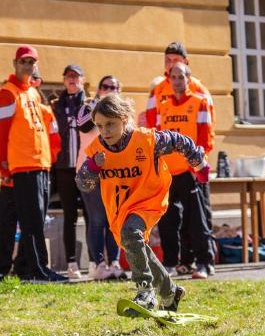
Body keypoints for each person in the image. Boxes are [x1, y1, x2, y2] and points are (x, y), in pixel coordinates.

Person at [76, 94, 209, 311]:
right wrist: (92, 167)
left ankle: (145, 292)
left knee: (131, 234)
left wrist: (199, 163)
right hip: (121, 208)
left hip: (150, 199)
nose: (105, 131)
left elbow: (180, 142)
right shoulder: (96, 151)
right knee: (136, 247)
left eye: (111, 124)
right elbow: (83, 184)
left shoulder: (147, 140)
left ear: (124, 119)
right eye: (100, 126)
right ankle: (170, 292)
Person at [0, 45, 67, 283]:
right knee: (31, 221)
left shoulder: (33, 94)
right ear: (15, 64)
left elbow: (48, 130)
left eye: (31, 62)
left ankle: (18, 267)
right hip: (22, 167)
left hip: (38, 165)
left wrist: (50, 158)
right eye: (23, 61)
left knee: (18, 218)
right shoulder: (8, 94)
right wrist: (3, 166)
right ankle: (37, 269)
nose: (27, 66)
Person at [152, 62, 215, 279]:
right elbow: (159, 138)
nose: (177, 80)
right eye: (174, 77)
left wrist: (195, 166)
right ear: (168, 80)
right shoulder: (163, 105)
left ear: (189, 78)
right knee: (168, 221)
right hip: (168, 172)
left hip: (190, 171)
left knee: (196, 221)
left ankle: (204, 263)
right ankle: (170, 263)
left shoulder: (200, 102)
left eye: (181, 76)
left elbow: (206, 140)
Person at [76, 75, 123, 280]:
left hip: (114, 173)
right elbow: (84, 126)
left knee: (114, 219)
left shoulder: (121, 113)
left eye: (114, 87)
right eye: (105, 86)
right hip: (89, 172)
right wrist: (100, 107)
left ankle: (114, 263)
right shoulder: (88, 107)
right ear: (99, 89)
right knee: (97, 220)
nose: (110, 89)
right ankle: (98, 264)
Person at [51, 64, 88, 279]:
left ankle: (95, 261)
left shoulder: (89, 104)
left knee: (93, 216)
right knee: (69, 216)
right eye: (68, 77)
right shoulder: (57, 105)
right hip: (65, 168)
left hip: (86, 167)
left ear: (82, 80)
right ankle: (72, 263)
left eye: (76, 76)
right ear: (64, 80)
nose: (72, 80)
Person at [144, 42, 215, 130]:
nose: (171, 64)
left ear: (185, 61)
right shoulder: (157, 90)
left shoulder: (199, 89)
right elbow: (151, 123)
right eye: (168, 60)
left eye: (175, 60)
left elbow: (208, 125)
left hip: (192, 142)